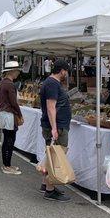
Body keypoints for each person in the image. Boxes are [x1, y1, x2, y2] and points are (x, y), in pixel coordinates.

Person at [39, 59, 72, 202]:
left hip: (56, 125)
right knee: (56, 156)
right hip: (57, 126)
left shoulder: (50, 82)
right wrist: (54, 128)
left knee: (51, 156)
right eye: (67, 72)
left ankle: (46, 184)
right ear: (62, 70)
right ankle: (50, 190)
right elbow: (51, 107)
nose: (67, 74)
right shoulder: (52, 84)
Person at [0, 61, 24, 175]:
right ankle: (7, 166)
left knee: (6, 139)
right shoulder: (10, 85)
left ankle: (7, 164)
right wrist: (20, 115)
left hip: (2, 113)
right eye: (17, 71)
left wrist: (3, 103)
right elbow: (14, 103)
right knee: (10, 140)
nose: (18, 73)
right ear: (12, 71)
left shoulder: (2, 83)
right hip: (9, 114)